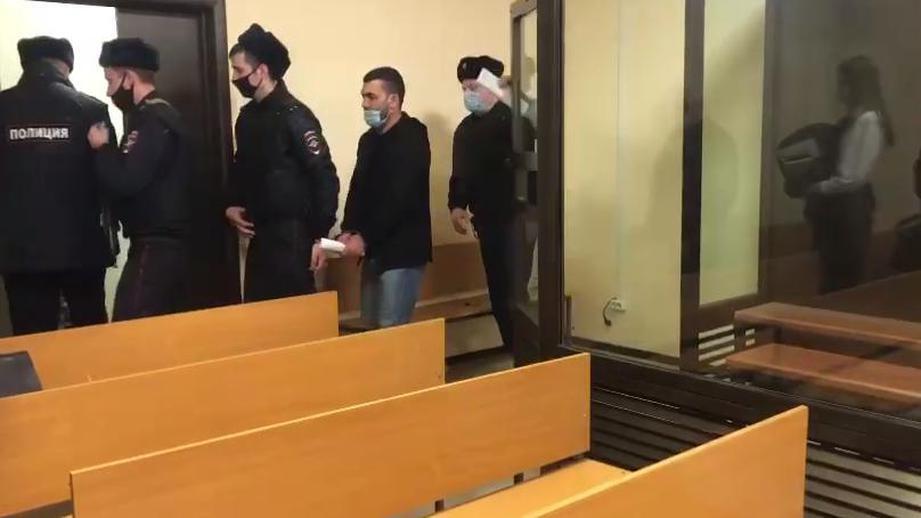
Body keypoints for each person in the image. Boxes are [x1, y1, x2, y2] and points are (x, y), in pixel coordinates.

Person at [0, 37, 115, 335]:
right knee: (90, 339)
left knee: (33, 341)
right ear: (66, 66)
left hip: (20, 254)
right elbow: (110, 180)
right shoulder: (92, 110)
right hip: (82, 250)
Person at [225, 24, 339, 302]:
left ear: (261, 71)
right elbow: (242, 167)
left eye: (238, 70)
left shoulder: (295, 116)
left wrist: (319, 237)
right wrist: (232, 204)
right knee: (258, 315)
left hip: (293, 238)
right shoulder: (247, 117)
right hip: (259, 235)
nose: (234, 78)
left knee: (294, 316)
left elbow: (324, 176)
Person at [88, 38, 192, 320]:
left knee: (131, 325)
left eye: (110, 80)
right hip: (161, 244)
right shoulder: (157, 115)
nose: (108, 90)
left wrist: (102, 148)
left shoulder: (152, 119)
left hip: (156, 246)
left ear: (128, 78)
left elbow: (126, 181)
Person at [339, 67, 432, 329]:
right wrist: (348, 229)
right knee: (370, 325)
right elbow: (358, 189)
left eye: (371, 96)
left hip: (402, 250)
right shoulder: (368, 140)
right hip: (373, 249)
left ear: (393, 100)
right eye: (363, 96)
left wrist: (364, 236)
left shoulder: (412, 136)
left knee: (392, 329)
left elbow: (400, 196)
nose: (364, 103)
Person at [806, 56, 895, 294]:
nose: (840, 89)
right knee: (833, 275)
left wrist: (819, 188)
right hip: (843, 208)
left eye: (844, 83)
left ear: (857, 85)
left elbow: (852, 177)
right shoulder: (854, 119)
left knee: (843, 278)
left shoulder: (868, 120)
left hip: (850, 208)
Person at [449, 56, 517, 348]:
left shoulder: (515, 122)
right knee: (499, 290)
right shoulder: (465, 130)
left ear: (491, 87)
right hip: (488, 223)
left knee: (519, 292)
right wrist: (456, 205)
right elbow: (460, 174)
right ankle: (513, 349)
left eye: (474, 87)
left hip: (519, 221)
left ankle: (531, 355)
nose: (468, 94)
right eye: (464, 89)